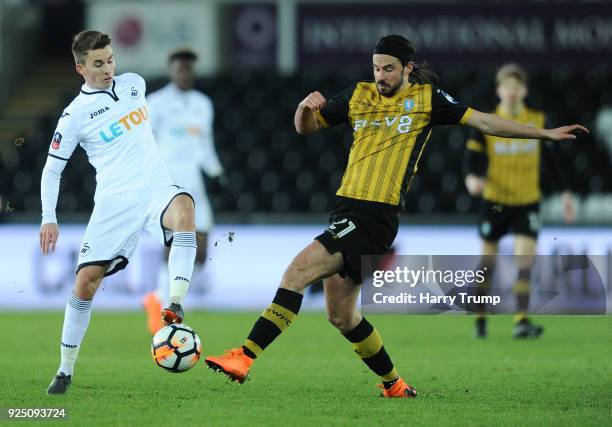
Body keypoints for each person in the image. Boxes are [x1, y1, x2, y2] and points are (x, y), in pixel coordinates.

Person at [204, 34, 587, 398]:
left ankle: (245, 356)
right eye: (376, 68)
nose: (380, 77)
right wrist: (303, 109)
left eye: (388, 69)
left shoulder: (427, 99)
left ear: (407, 68)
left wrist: (545, 134)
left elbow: (485, 121)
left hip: (376, 214)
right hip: (347, 208)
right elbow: (307, 129)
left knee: (296, 272)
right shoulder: (358, 95)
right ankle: (394, 384)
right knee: (342, 316)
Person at [40, 31, 198, 394]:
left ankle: (174, 303)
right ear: (81, 68)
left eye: (110, 59)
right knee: (85, 283)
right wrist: (50, 216)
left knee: (185, 209)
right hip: (115, 200)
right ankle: (65, 369)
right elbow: (52, 169)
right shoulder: (73, 116)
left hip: (156, 186)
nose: (108, 68)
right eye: (98, 63)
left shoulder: (134, 84)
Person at [464, 64, 576, 339]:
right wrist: (471, 179)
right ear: (499, 90)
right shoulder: (488, 122)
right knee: (488, 264)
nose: (512, 93)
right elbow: (471, 160)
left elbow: (551, 161)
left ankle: (521, 320)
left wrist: (565, 193)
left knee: (525, 262)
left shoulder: (537, 119)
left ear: (523, 90)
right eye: (507, 88)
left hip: (527, 201)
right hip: (496, 202)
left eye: (517, 87)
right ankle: (479, 318)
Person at [143, 48, 225, 334]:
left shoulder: (203, 104)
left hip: (195, 183)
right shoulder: (155, 102)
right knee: (174, 244)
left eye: (189, 68)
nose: (184, 72)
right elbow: (145, 145)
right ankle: (164, 304)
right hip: (168, 183)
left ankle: (158, 297)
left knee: (200, 249)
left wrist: (217, 174)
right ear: (171, 70)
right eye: (180, 68)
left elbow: (205, 145)